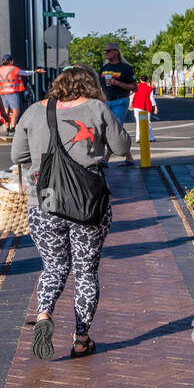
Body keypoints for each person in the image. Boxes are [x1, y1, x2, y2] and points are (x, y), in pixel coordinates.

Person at [10, 65, 131, 360]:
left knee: (53, 267)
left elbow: (17, 156)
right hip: (88, 204)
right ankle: (81, 338)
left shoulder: (34, 111)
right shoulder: (96, 108)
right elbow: (122, 144)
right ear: (90, 85)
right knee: (85, 271)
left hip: (45, 201)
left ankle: (44, 315)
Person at [99, 41, 136, 166]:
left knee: (114, 129)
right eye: (105, 51)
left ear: (116, 52)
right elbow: (100, 86)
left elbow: (134, 87)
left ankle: (105, 159)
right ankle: (129, 157)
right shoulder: (104, 68)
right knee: (114, 130)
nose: (106, 53)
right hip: (106, 102)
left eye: (108, 51)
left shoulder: (126, 68)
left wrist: (117, 83)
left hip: (120, 101)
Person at [0, 54, 42, 135]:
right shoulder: (13, 69)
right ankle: (12, 129)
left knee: (5, 112)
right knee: (16, 111)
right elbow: (25, 73)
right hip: (11, 93)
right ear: (11, 61)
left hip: (2, 93)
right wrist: (35, 71)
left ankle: (7, 129)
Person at [129, 78, 157, 143]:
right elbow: (151, 98)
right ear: (147, 80)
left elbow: (130, 93)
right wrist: (155, 107)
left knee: (138, 122)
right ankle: (151, 137)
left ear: (140, 80)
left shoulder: (136, 87)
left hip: (137, 105)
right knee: (148, 122)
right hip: (146, 106)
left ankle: (138, 138)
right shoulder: (149, 88)